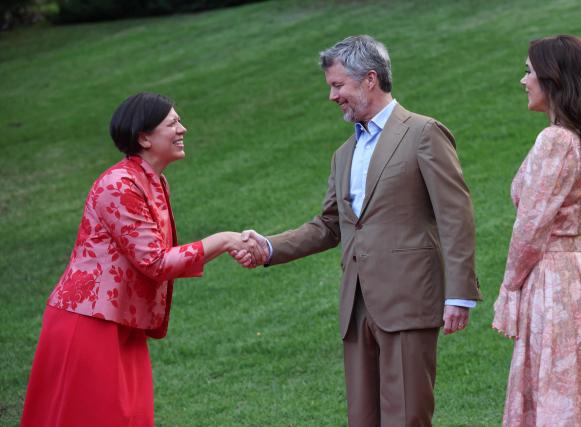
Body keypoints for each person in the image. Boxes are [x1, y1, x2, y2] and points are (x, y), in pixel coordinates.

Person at [237, 35, 481, 426]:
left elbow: (456, 215)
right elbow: (330, 224)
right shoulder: (344, 154)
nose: (333, 96)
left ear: (370, 79)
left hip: (408, 298)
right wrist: (268, 247)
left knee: (406, 416)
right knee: (362, 418)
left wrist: (460, 294)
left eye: (338, 86)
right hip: (356, 304)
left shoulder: (423, 133)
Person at [20, 92, 265, 427]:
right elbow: (155, 262)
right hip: (89, 323)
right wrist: (222, 240)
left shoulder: (151, 180)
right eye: (173, 123)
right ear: (144, 137)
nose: (183, 129)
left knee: (133, 417)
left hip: (120, 320)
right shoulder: (119, 185)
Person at [492, 35, 581, 426]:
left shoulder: (556, 141)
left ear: (553, 78)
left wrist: (509, 288)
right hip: (578, 277)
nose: (523, 80)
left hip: (552, 282)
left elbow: (530, 227)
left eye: (529, 71)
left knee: (553, 386)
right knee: (573, 387)